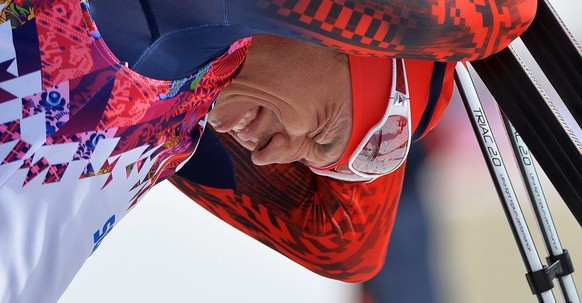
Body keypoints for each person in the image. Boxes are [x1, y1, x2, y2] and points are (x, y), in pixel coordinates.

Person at [0, 0, 536, 302]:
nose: (271, 158)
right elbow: (497, 14)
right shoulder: (174, 10)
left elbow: (349, 247)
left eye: (310, 159)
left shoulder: (177, 126)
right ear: (353, 42)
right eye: (322, 135)